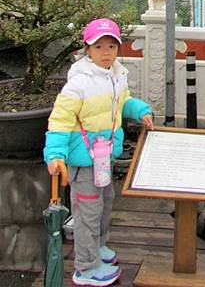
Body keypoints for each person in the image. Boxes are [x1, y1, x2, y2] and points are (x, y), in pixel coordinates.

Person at [44, 18, 153, 287]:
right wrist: (55, 155)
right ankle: (86, 266)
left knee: (104, 207)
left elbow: (123, 103)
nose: (106, 52)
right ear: (88, 50)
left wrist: (140, 111)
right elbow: (59, 120)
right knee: (87, 215)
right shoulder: (79, 83)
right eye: (99, 46)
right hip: (84, 163)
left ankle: (99, 249)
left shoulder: (116, 75)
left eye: (112, 46)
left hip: (104, 160)